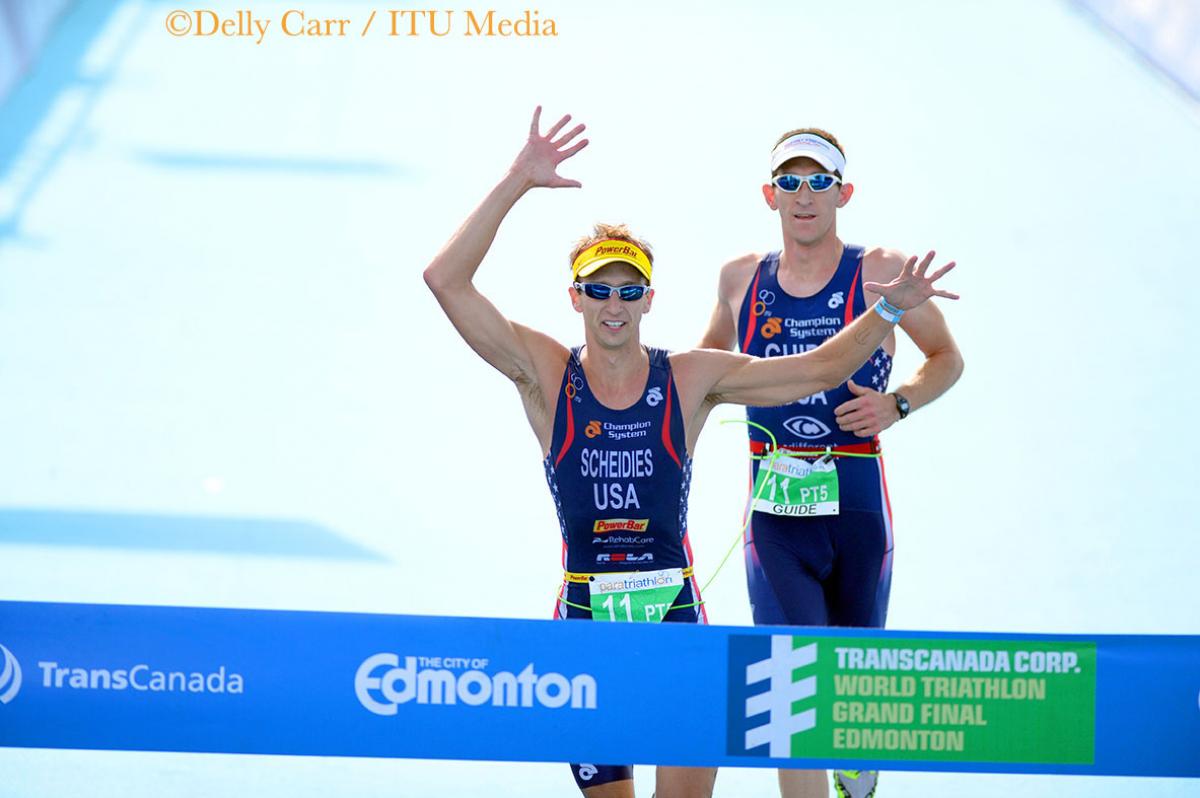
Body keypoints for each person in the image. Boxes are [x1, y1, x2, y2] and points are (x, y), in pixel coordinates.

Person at [423, 108, 958, 798]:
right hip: (586, 627)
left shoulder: (688, 377)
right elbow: (446, 281)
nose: (613, 305)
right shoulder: (545, 373)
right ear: (576, 298)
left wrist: (886, 314)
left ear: (649, 299)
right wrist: (517, 182)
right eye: (598, 290)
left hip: (678, 620)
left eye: (627, 291)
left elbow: (817, 370)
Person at [697, 130, 965, 798]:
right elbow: (699, 374)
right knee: (792, 691)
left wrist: (898, 405)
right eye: (789, 182)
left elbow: (947, 359)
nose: (804, 196)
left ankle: (858, 770)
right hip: (777, 509)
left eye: (819, 182)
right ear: (769, 196)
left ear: (844, 193)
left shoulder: (879, 270)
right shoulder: (740, 279)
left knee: (853, 698)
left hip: (856, 504)